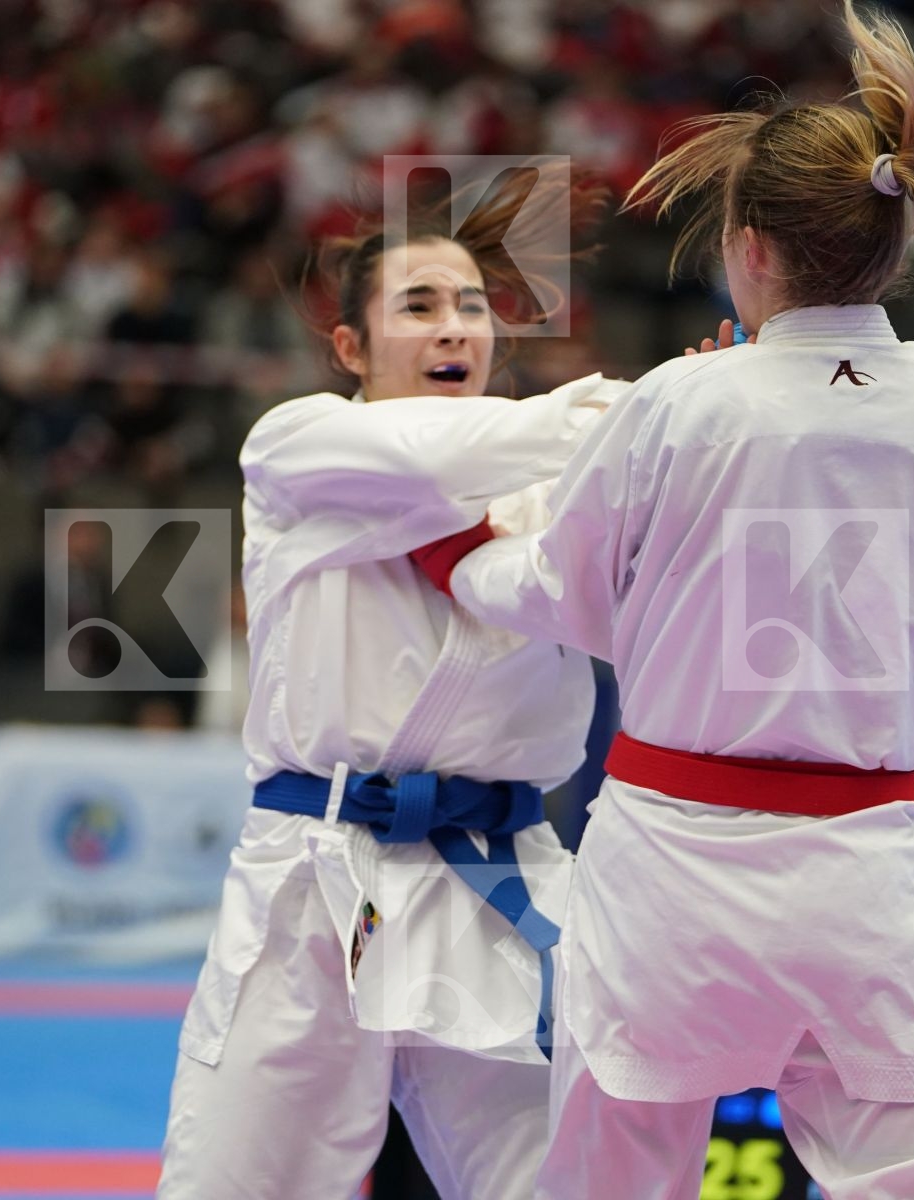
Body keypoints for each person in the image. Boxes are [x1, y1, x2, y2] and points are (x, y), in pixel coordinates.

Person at [408, 4, 914, 1195]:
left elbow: (572, 600)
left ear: (747, 247)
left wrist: (456, 551)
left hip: (676, 868)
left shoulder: (680, 404)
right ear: (897, 243)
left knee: (613, 1179)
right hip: (869, 865)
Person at [156, 175, 625, 1198]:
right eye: (418, 306)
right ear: (351, 350)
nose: (455, 326)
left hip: (502, 873)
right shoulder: (296, 449)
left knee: (562, 1184)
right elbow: (424, 462)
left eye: (472, 307)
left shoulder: (558, 481)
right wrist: (646, 411)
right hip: (316, 875)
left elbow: (620, 611)